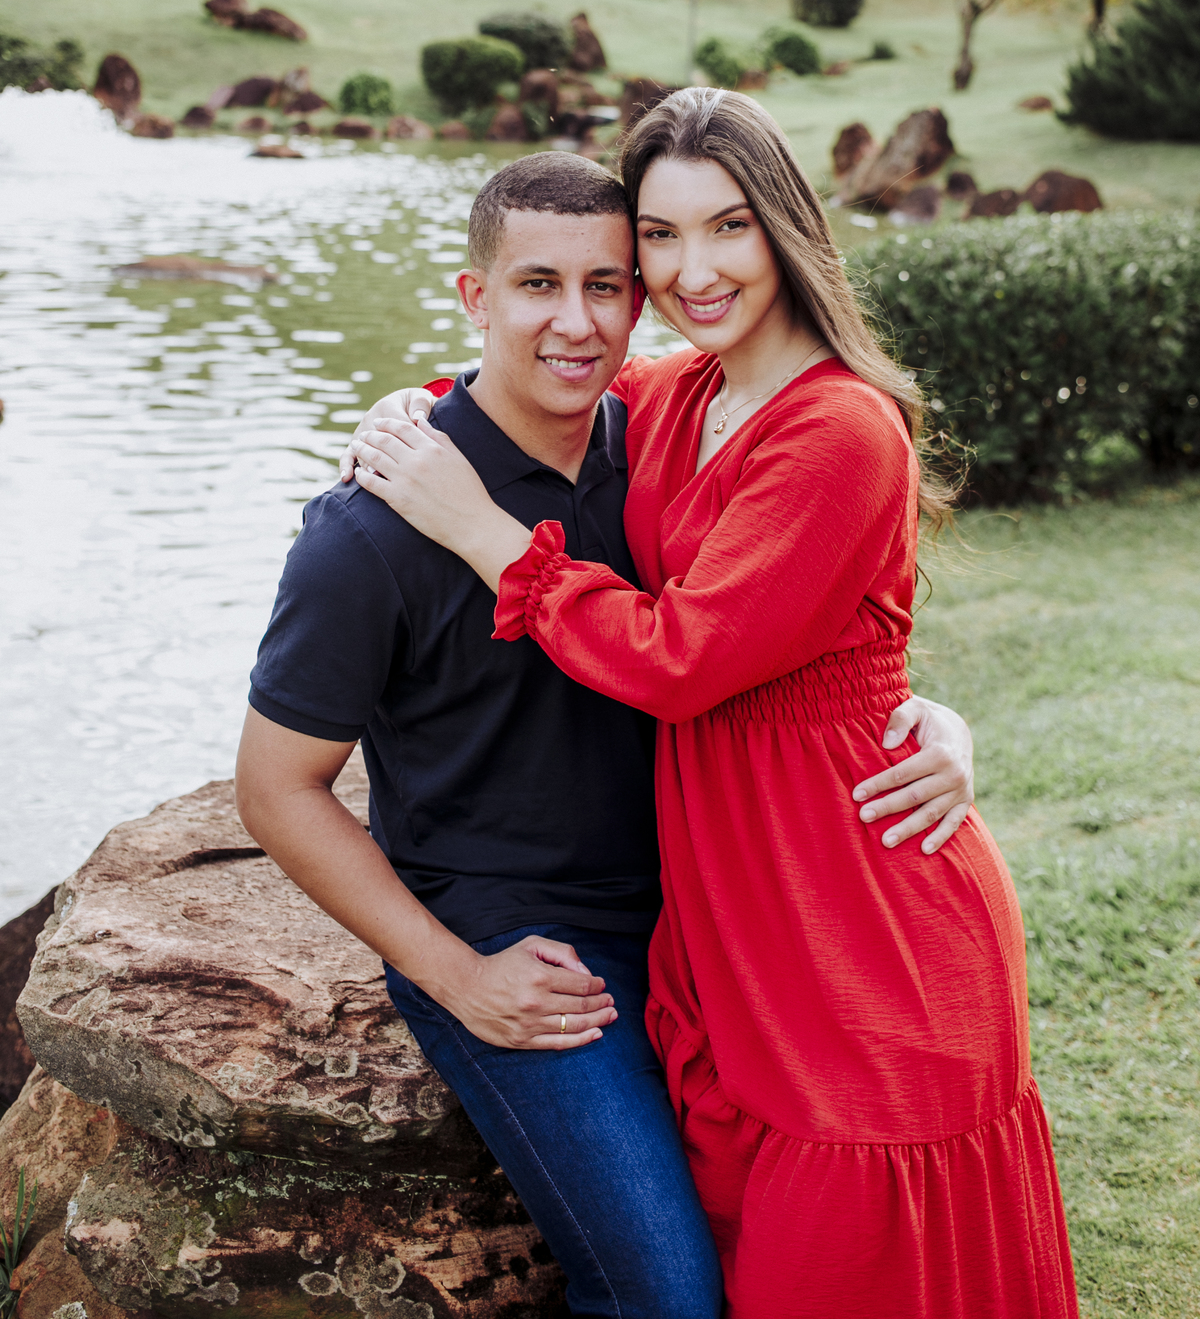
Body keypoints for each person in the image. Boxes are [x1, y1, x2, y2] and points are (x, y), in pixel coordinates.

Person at [349, 102, 1079, 1319]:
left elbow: (683, 658)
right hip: (743, 896)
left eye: (729, 226)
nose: (695, 270)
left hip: (859, 911)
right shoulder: (686, 392)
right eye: (661, 236)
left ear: (785, 226)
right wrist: (412, 409)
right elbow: (541, 382)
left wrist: (479, 530)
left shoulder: (841, 426)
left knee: (845, 1259)